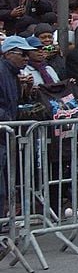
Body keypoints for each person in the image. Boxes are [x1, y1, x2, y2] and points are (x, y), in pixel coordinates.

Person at [0, 36, 32, 220]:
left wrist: (25, 92)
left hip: (5, 135)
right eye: (24, 54)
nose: (27, 58)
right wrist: (9, 121)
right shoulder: (3, 72)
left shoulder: (11, 74)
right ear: (9, 54)